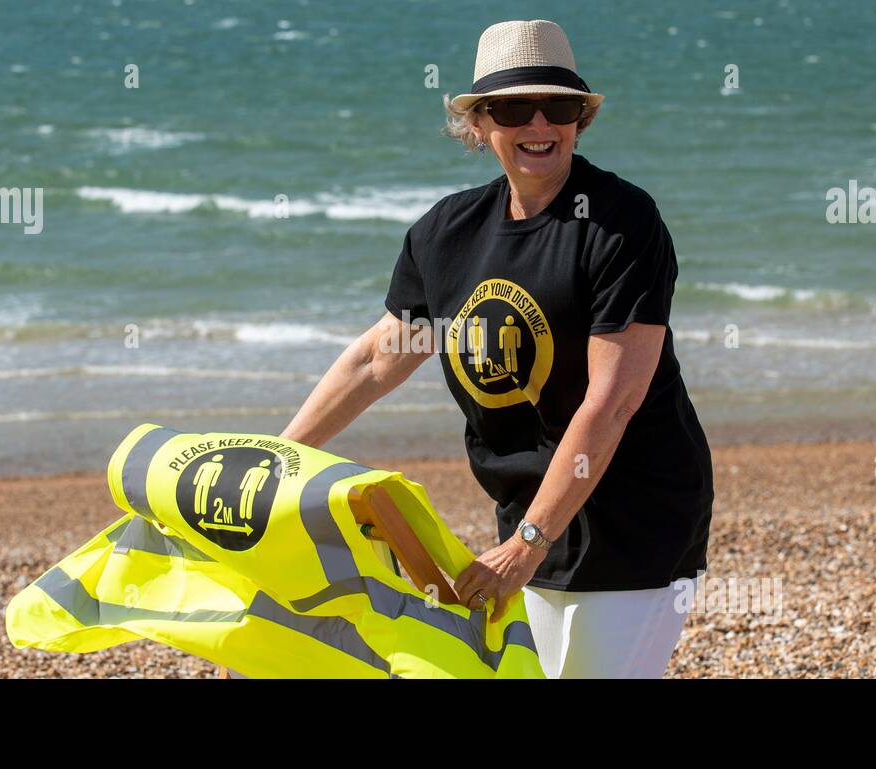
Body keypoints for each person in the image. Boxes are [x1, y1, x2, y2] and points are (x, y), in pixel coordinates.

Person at [281, 19, 713, 678]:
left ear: (581, 120)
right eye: (514, 108)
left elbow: (613, 402)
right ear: (480, 124)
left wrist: (527, 545)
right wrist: (277, 460)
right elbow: (377, 360)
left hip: (637, 520)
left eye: (560, 107)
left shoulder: (620, 225)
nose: (540, 124)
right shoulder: (447, 235)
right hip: (524, 515)